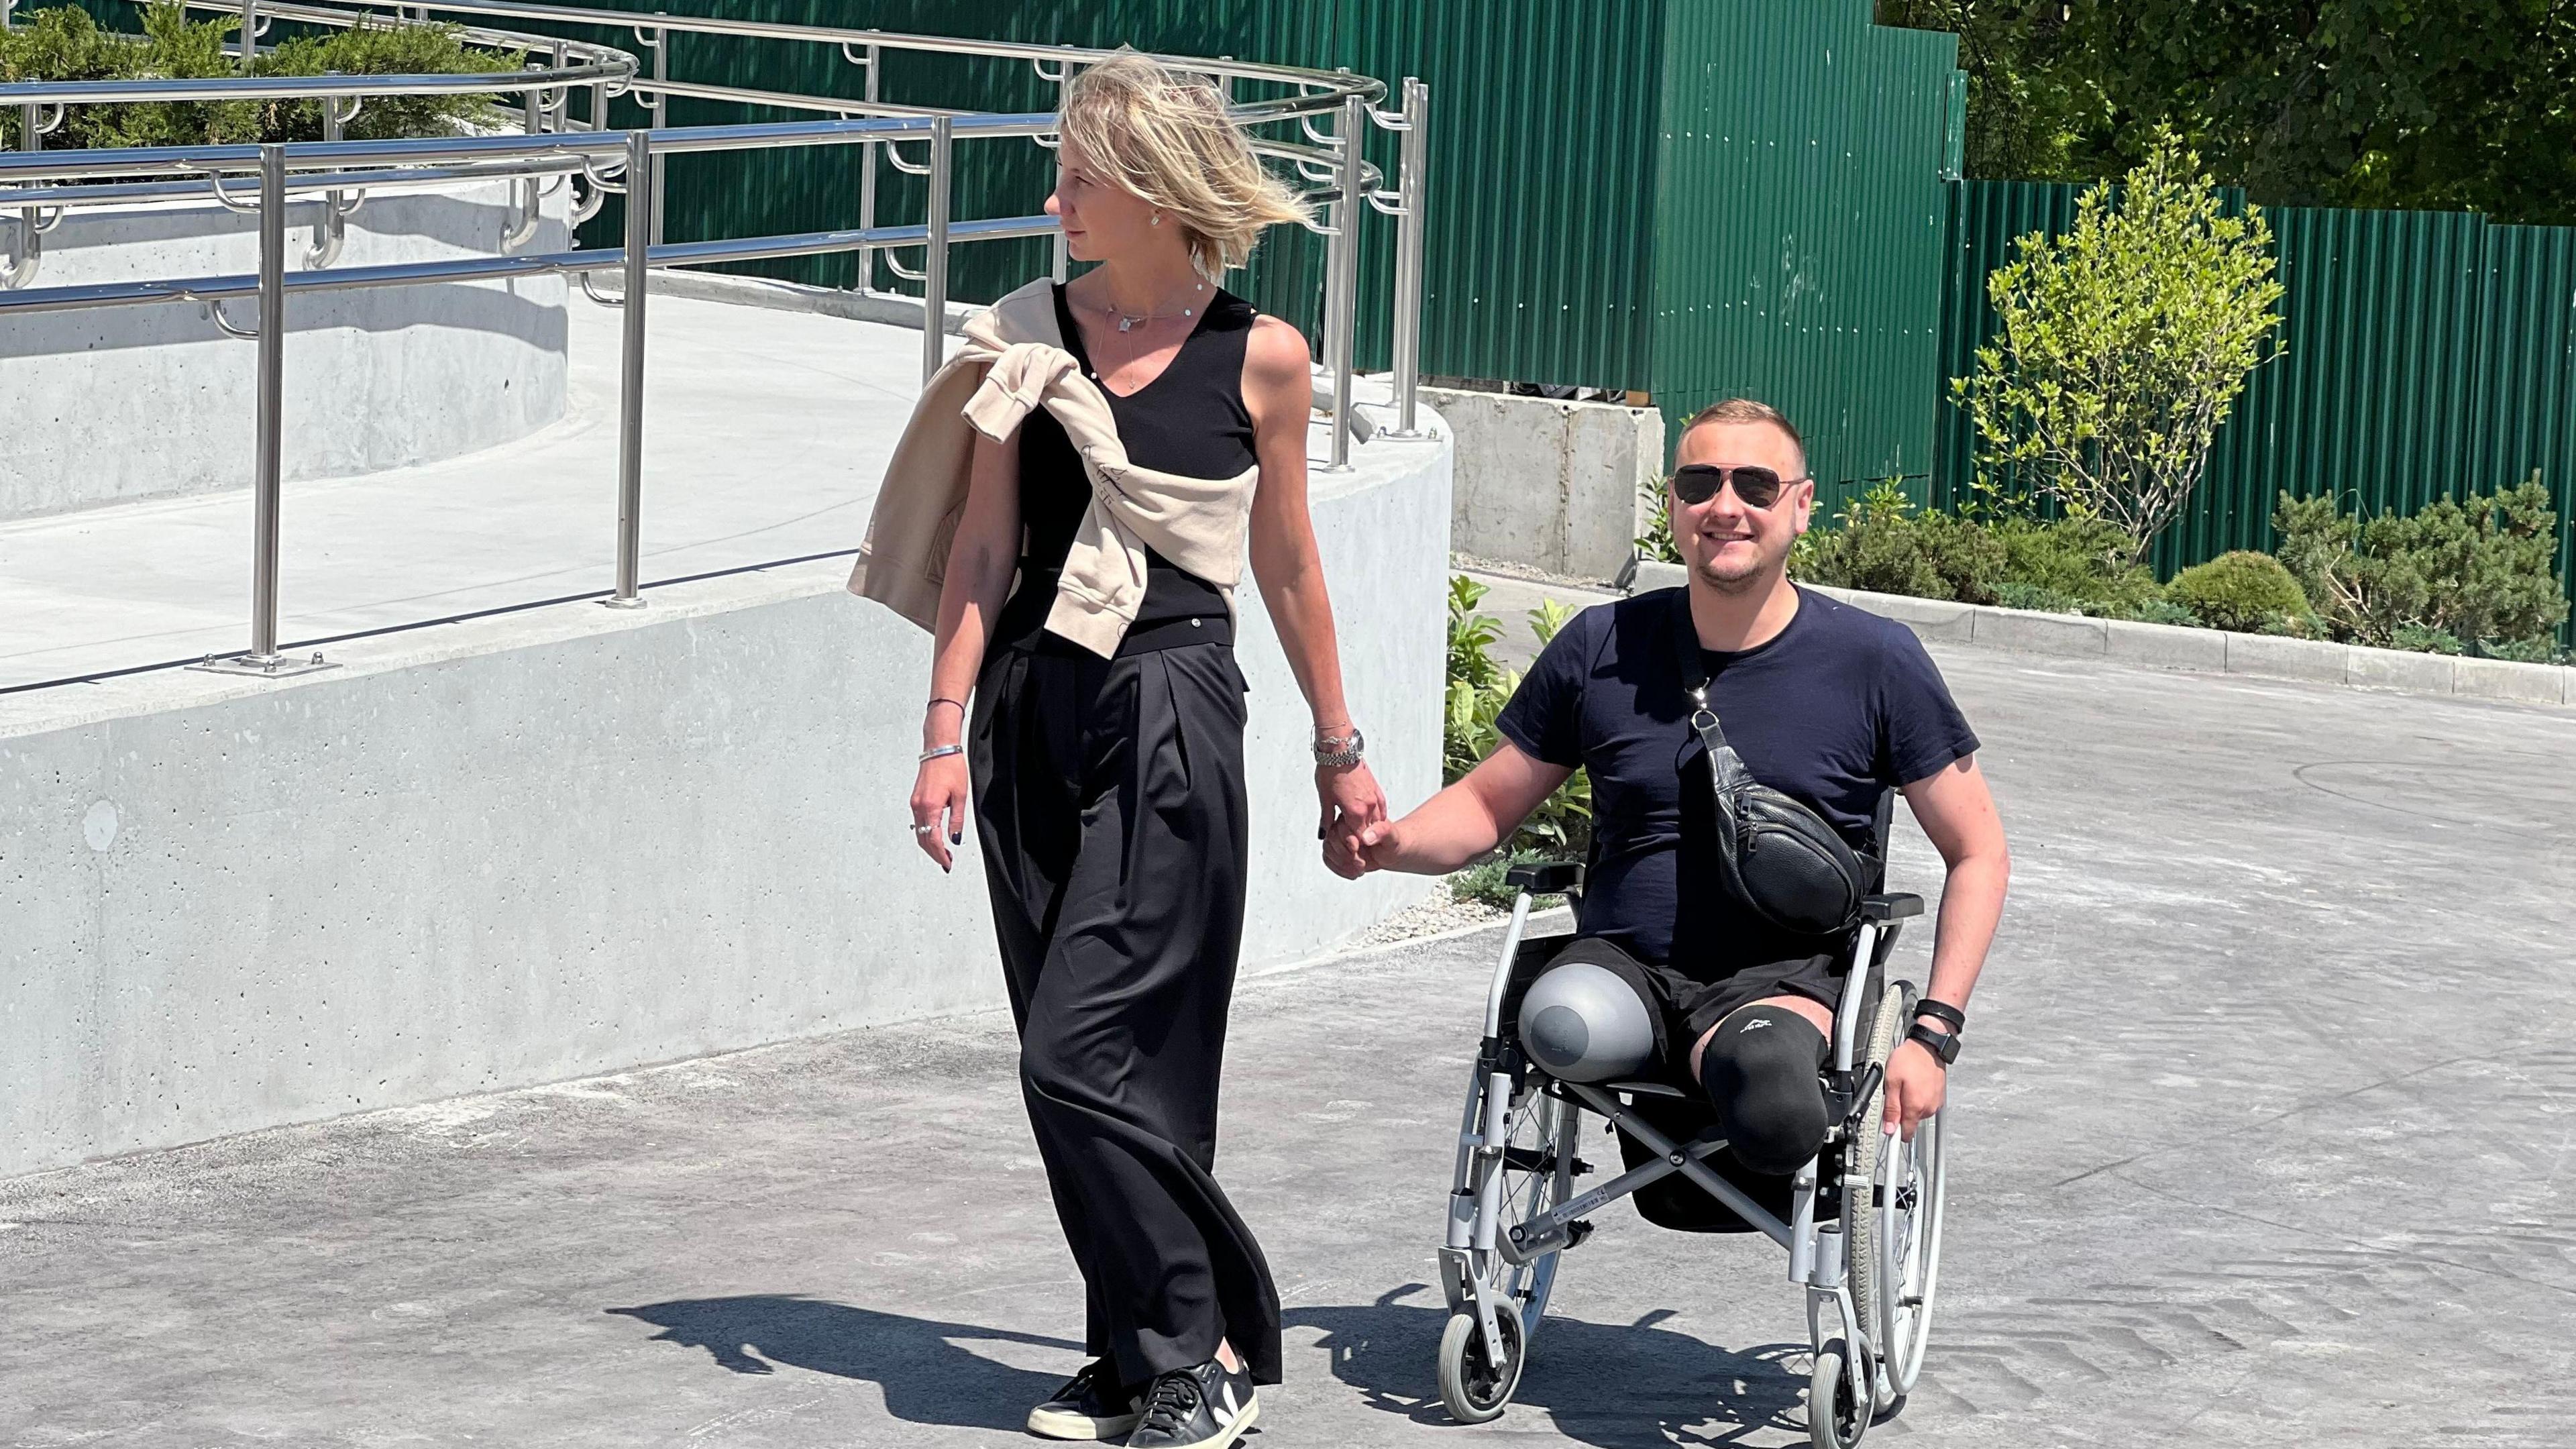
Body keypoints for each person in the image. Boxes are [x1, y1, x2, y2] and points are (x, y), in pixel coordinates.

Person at [852, 53, 1385, 1449]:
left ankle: (1202, 1348)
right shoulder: (1022, 334)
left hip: (1168, 703)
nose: (1057, 195)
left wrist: (1342, 748)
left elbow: (1287, 564)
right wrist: (941, 733)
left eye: (1079, 173)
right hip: (1032, 703)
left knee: (1087, 1053)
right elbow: (982, 548)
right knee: (1077, 1042)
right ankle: (1137, 1353)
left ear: (1151, 183)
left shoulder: (1260, 355)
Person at [1342, 398, 2008, 1164]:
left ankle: (1727, 1080)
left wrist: (1933, 1033)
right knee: (1555, 1023)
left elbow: (1978, 852)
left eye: (1756, 486)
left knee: (1774, 1099)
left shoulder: (1876, 662)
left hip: (1781, 985)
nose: (1725, 506)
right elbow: (1489, 804)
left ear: (1801, 507)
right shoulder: (1603, 646)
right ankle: (1689, 1076)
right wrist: (1392, 844)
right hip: (1625, 972)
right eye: (1700, 483)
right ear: (1673, 506)